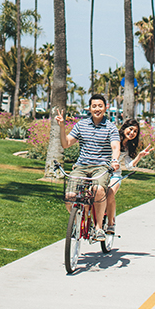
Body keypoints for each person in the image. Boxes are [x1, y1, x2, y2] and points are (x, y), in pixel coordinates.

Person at [57, 93, 123, 241]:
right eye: (94, 106)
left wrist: (114, 160)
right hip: (81, 166)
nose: (97, 109)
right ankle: (77, 219)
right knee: (69, 197)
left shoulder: (111, 128)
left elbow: (115, 147)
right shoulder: (81, 125)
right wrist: (62, 127)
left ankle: (99, 228)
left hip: (101, 167)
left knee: (98, 189)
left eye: (100, 106)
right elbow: (66, 143)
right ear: (89, 108)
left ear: (105, 108)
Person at [103, 118, 155, 235]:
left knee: (110, 193)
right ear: (124, 127)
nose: (132, 133)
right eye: (130, 129)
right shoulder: (113, 137)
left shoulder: (128, 147)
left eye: (135, 131)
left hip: (114, 175)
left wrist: (139, 156)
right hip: (101, 171)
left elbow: (129, 166)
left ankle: (110, 224)